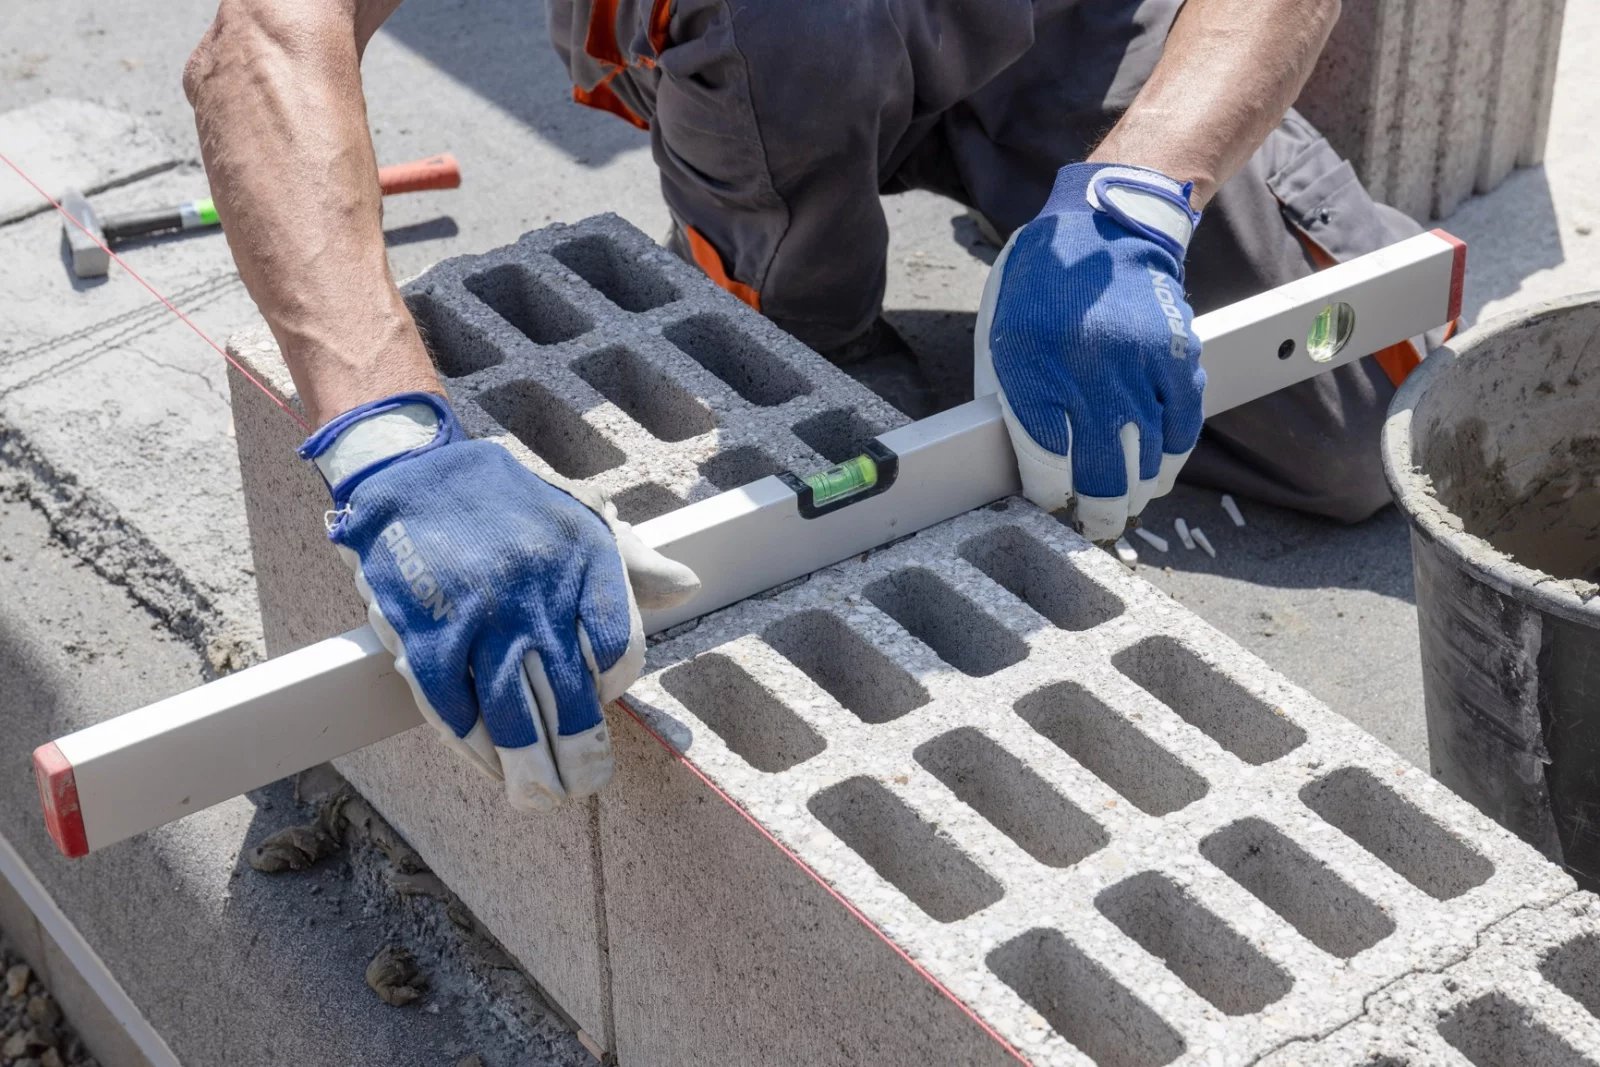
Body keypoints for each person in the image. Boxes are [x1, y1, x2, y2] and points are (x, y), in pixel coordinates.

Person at [184, 0, 1426, 810]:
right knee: (825, 406)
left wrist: (1141, 194)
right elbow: (272, 36)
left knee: (1349, 440)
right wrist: (389, 440)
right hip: (769, 30)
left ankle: (1045, 183)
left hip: (1059, 17)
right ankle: (787, 286)